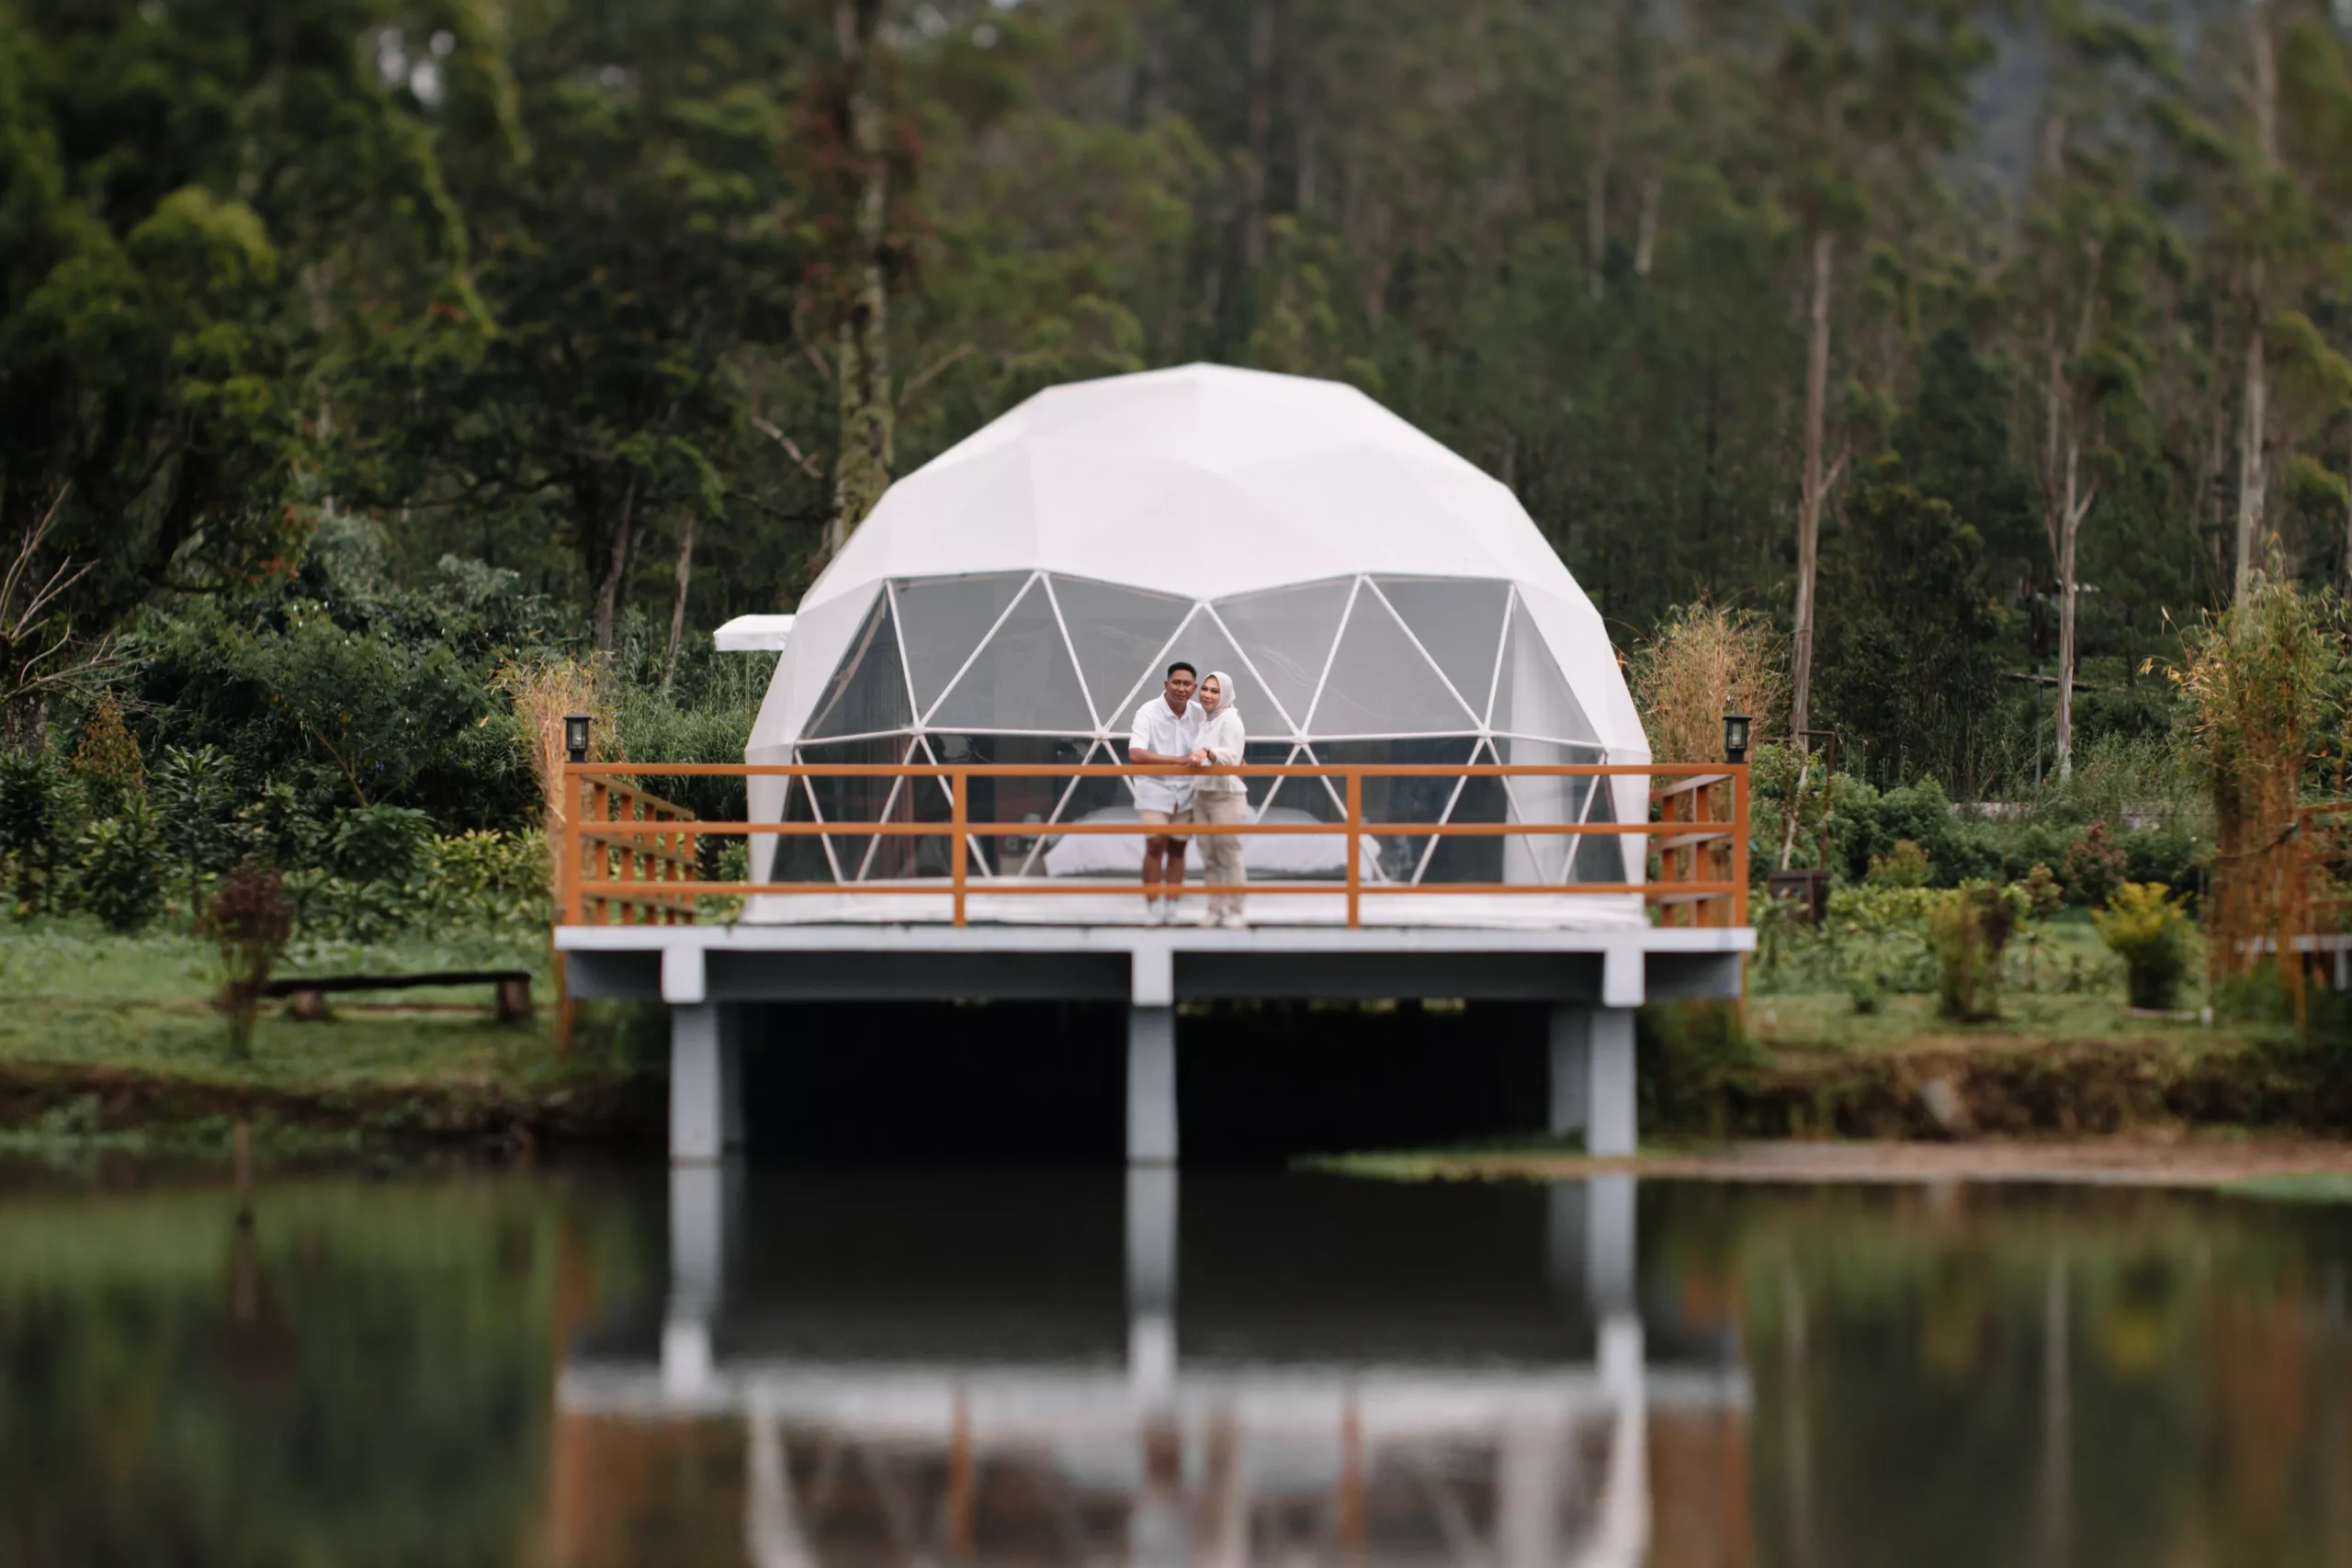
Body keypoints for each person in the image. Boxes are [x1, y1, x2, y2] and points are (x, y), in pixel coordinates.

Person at [1128, 660, 1202, 924]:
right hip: (1154, 787)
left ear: (1194, 688)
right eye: (1176, 682)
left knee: (1178, 847)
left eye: (1187, 684)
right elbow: (1136, 754)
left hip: (1186, 790)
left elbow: (1217, 738)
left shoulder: (1200, 713)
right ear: (1166, 684)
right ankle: (1152, 906)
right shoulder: (1148, 712)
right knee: (1155, 843)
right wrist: (1177, 761)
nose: (1181, 688)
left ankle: (1172, 905)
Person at [1189, 671, 1250, 928]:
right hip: (1203, 795)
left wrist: (1208, 752)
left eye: (1215, 691)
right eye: (1205, 689)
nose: (1207, 695)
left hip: (1226, 796)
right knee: (1209, 857)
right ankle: (1215, 908)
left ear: (1225, 694)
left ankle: (1236, 910)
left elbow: (1232, 756)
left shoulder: (1230, 719)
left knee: (1228, 855)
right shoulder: (1207, 722)